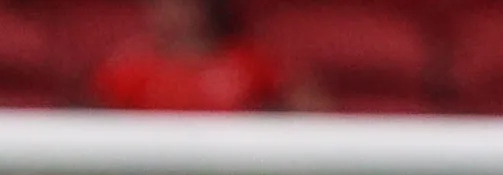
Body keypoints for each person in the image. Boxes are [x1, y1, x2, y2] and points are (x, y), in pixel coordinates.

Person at [90, 0, 326, 114]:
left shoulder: (248, 62)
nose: (171, 13)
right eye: (161, 4)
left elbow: (309, 108)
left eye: (181, 5)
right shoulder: (127, 67)